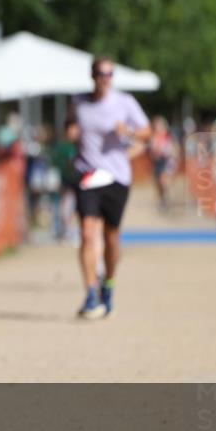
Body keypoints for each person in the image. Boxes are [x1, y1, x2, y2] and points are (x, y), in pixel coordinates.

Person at [66, 56, 151, 319]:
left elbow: (147, 132)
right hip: (88, 174)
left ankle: (108, 285)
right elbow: (69, 124)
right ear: (92, 75)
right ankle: (91, 293)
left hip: (116, 177)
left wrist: (128, 132)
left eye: (110, 74)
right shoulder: (79, 102)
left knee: (111, 237)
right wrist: (70, 131)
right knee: (87, 232)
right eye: (101, 73)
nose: (105, 78)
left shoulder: (124, 102)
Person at [148, 116, 177, 212]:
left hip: (167, 161)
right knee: (158, 184)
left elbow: (174, 149)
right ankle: (162, 199)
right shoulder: (153, 137)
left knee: (163, 180)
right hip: (157, 162)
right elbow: (151, 151)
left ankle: (165, 199)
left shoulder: (168, 136)